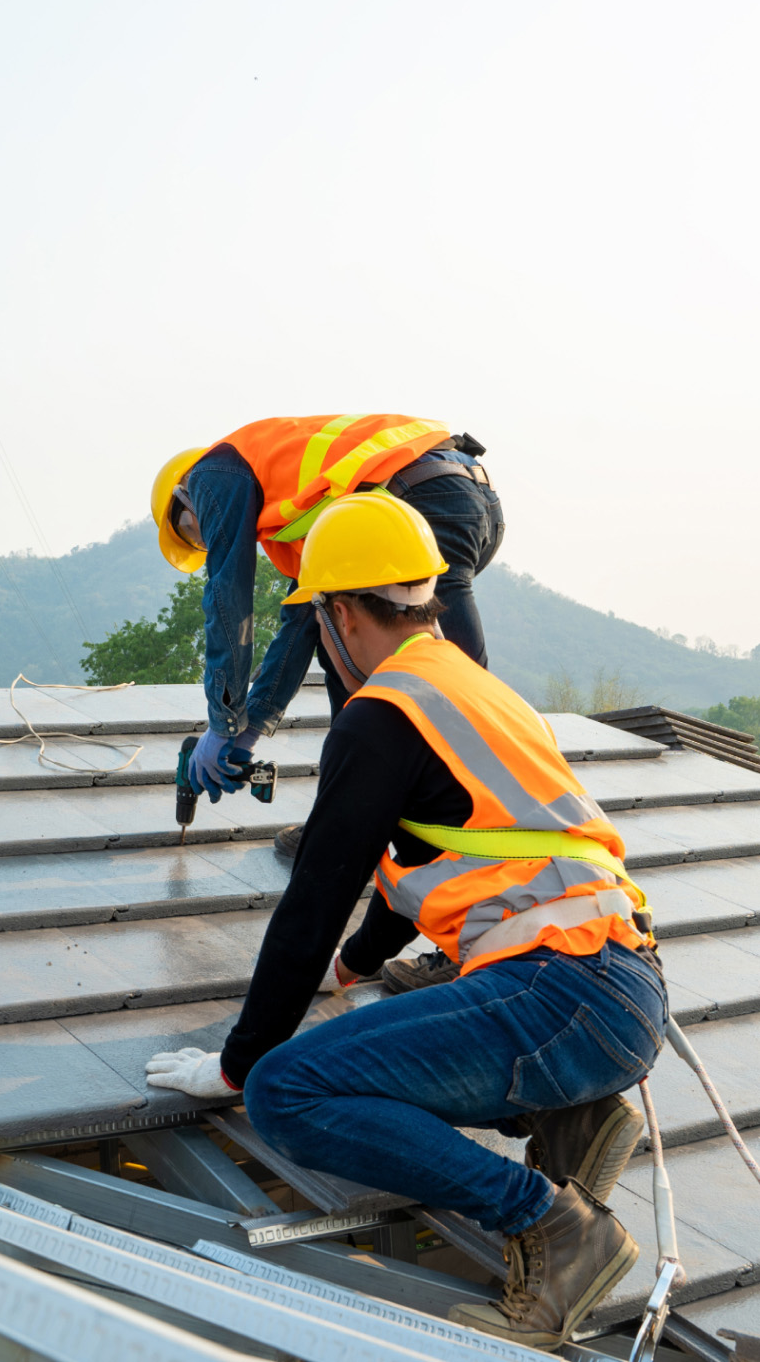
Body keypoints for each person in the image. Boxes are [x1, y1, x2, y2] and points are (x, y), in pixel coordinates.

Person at [146, 493, 667, 1352]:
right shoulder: (469, 687)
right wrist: (358, 964)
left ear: (343, 613)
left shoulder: (383, 715)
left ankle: (553, 1226)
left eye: (318, 619)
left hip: (557, 990)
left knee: (290, 1090)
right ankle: (571, 1119)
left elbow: (312, 901)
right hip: (619, 988)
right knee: (369, 1049)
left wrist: (239, 1064)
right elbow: (433, 853)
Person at [151, 415, 504, 864]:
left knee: (453, 690)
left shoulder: (211, 473)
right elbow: (301, 625)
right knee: (349, 640)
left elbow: (227, 603)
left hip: (420, 498)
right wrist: (250, 729)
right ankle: (362, 817)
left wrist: (222, 722)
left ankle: (412, 824)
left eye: (189, 531)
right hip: (469, 496)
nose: (204, 542)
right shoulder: (302, 515)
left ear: (185, 496)